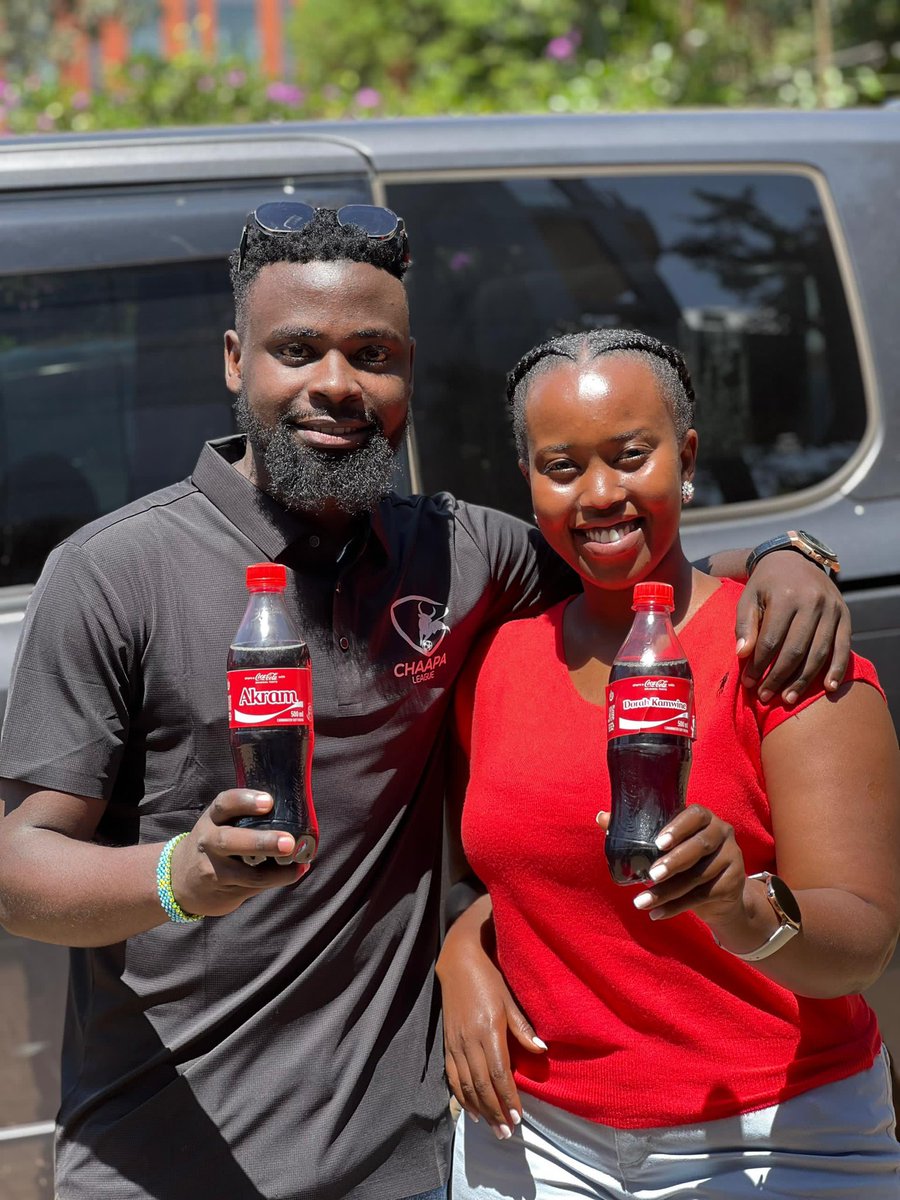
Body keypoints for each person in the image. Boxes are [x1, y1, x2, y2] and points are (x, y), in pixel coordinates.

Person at [0, 206, 852, 1200]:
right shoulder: (113, 573)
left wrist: (789, 559)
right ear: (237, 360)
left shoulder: (458, 553)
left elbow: (627, 547)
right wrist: (180, 875)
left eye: (372, 354)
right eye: (298, 349)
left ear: (409, 372)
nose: (336, 384)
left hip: (401, 1160)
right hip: (167, 1162)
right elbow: (19, 872)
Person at [438, 328, 900, 1199]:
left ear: (686, 457)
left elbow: (861, 946)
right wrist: (461, 951)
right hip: (532, 1143)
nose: (601, 494)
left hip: (776, 1137)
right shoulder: (496, 663)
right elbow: (527, 873)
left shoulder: (780, 650)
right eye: (562, 466)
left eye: (631, 455)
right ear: (528, 481)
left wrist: (742, 905)